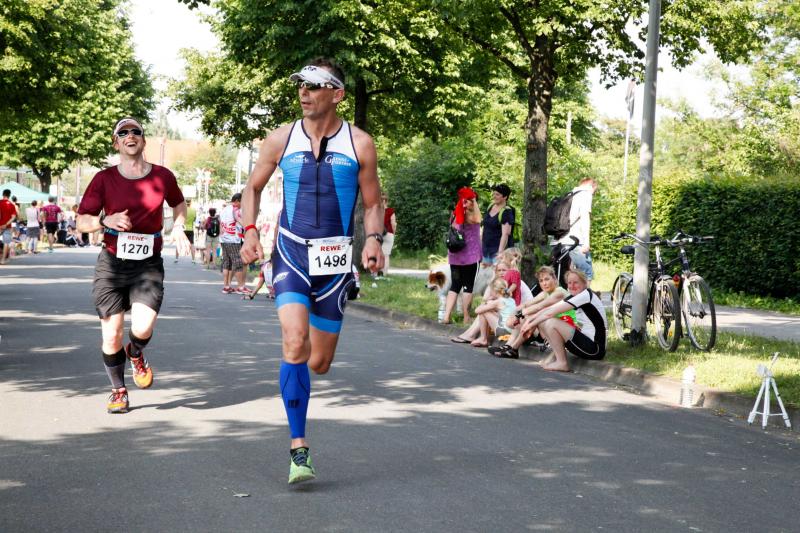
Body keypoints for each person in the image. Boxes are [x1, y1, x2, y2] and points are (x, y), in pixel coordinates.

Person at [239, 58, 384, 484]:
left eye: (315, 86)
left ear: (337, 94)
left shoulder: (360, 144)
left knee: (318, 362)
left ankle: (303, 389)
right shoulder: (281, 138)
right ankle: (298, 448)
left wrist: (373, 240)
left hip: (334, 263)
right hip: (291, 253)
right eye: (301, 85)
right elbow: (252, 188)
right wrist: (250, 231)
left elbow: (372, 203)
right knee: (294, 341)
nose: (304, 92)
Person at [76, 117, 191, 414]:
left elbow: (179, 204)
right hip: (112, 263)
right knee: (111, 333)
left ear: (143, 139)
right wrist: (105, 220)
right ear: (116, 142)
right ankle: (118, 390)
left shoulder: (162, 176)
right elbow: (82, 221)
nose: (130, 135)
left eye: (135, 131)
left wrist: (179, 226)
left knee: (142, 327)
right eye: (123, 132)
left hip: (147, 264)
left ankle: (136, 353)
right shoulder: (103, 179)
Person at [521, 269, 607, 372]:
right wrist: (530, 320)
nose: (572, 286)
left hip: (595, 349)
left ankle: (562, 363)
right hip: (584, 343)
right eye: (569, 283)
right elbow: (548, 309)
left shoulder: (585, 295)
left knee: (552, 322)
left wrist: (530, 325)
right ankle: (558, 359)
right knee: (544, 322)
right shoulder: (576, 296)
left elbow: (550, 313)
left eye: (576, 282)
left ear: (584, 283)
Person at [489, 265, 573, 359]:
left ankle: (514, 349)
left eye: (547, 279)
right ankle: (508, 346)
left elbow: (539, 306)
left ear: (554, 279)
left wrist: (519, 314)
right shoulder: (545, 293)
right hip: (550, 329)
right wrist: (513, 314)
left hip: (566, 329)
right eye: (541, 281)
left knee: (531, 316)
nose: (544, 283)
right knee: (525, 317)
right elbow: (526, 304)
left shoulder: (559, 293)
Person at [442, 186, 482, 324]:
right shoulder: (471, 215)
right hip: (470, 257)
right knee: (468, 287)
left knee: (455, 286)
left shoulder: (455, 213)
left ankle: (446, 316)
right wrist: (474, 201)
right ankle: (466, 317)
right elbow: (478, 218)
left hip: (455, 257)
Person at [555, 177, 598, 284]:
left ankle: (569, 294)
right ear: (591, 186)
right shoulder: (585, 194)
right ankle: (584, 295)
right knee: (586, 274)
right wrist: (587, 242)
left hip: (560, 241)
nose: (593, 194)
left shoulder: (570, 195)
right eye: (594, 191)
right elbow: (585, 218)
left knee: (568, 274)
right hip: (575, 241)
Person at [220, 193, 249, 293]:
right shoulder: (235, 209)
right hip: (233, 240)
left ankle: (226, 286)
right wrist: (249, 227)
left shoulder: (224, 209)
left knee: (226, 263)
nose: (242, 204)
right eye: (242, 202)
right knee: (238, 263)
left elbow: (221, 224)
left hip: (224, 239)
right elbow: (238, 219)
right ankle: (240, 287)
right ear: (236, 201)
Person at [481, 183, 515, 266]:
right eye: (494, 194)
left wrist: (500, 253)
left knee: (498, 274)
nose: (494, 196)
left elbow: (505, 234)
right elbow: (485, 227)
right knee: (486, 273)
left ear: (505, 197)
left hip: (497, 253)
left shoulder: (506, 212)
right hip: (485, 250)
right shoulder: (490, 206)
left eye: (497, 194)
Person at [378, 192, 396, 278]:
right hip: (388, 234)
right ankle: (384, 274)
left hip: (378, 234)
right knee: (386, 255)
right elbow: (393, 224)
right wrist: (393, 233)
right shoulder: (390, 211)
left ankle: (377, 273)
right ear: (386, 201)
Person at [175, 198, 197, 263]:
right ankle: (193, 259)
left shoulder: (182, 210)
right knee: (192, 244)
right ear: (191, 202)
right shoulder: (193, 210)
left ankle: (176, 258)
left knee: (179, 243)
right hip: (190, 229)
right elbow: (194, 219)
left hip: (182, 229)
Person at [0, 189, 16, 265]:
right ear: (9, 195)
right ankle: (3, 260)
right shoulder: (12, 205)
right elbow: (13, 217)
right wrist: (6, 224)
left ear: (3, 194)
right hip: (7, 226)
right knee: (6, 243)